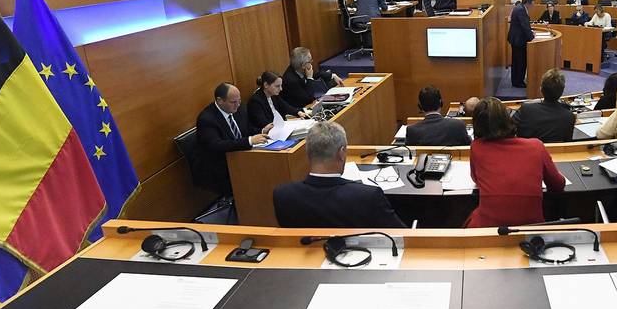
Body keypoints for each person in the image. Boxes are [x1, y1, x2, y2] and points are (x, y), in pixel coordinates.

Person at [272, 122, 403, 229]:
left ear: (308, 153)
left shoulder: (282, 195)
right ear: (341, 153)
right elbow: (403, 235)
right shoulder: (368, 196)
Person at [466, 98, 566, 228]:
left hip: (490, 228)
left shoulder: (476, 147)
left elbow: (476, 179)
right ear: (507, 118)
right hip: (532, 229)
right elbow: (558, 185)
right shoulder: (536, 146)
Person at [196, 82, 268, 196]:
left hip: (240, 155)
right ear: (220, 101)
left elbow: (246, 129)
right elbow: (217, 145)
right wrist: (249, 141)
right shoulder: (207, 119)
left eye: (239, 100)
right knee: (259, 173)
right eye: (233, 102)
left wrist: (262, 131)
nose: (238, 105)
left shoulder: (239, 108)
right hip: (220, 166)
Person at [513, 69, 576, 142]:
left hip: (527, 152)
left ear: (541, 89)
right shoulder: (569, 117)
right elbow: (566, 143)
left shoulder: (526, 109)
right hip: (554, 153)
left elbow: (507, 129)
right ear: (562, 91)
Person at [407, 85, 471, 147]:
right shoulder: (458, 125)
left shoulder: (412, 131)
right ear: (441, 103)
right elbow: (468, 146)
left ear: (420, 106)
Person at [507, 0, 533, 89]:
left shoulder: (519, 7)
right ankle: (519, 82)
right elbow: (524, 26)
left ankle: (516, 80)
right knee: (520, 62)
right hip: (519, 40)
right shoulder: (521, 10)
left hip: (515, 39)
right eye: (532, 4)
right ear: (528, 3)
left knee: (516, 61)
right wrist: (532, 38)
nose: (532, 6)